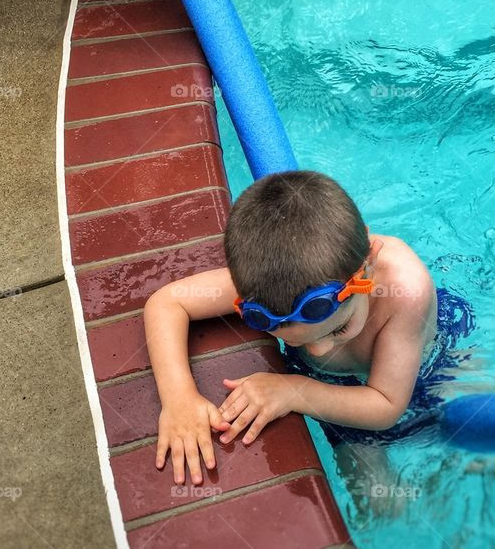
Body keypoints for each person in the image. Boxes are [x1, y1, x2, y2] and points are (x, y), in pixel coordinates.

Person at [144, 169, 475, 490]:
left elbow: (386, 405)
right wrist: (178, 397)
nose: (319, 351)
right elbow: (166, 303)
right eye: (295, 338)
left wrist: (294, 391)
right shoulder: (273, 282)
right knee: (379, 500)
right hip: (333, 389)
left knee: (468, 428)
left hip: (422, 370)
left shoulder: (405, 292)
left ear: (369, 265)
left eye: (340, 327)